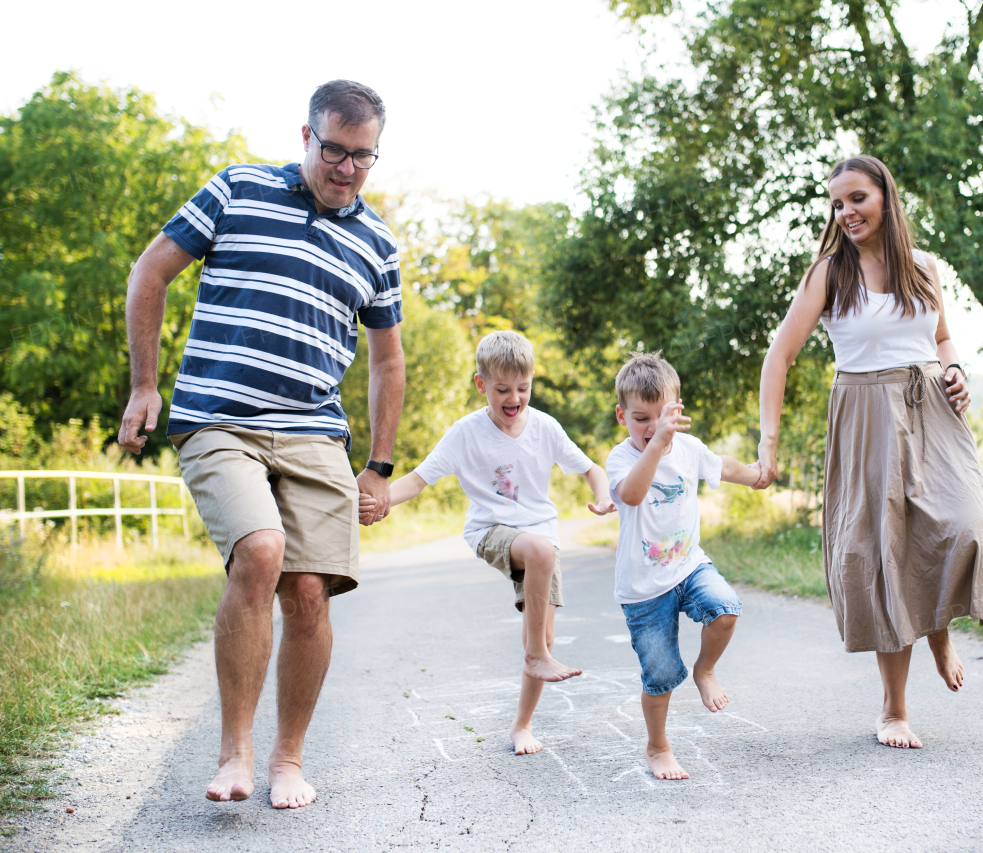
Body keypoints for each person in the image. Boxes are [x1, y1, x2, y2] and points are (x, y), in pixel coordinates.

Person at [117, 80, 405, 808]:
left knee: (310, 592)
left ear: (376, 155)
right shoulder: (236, 189)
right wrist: (144, 384)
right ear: (306, 137)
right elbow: (150, 270)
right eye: (334, 149)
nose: (346, 167)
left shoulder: (377, 243)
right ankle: (234, 751)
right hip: (220, 417)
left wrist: (378, 465)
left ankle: (288, 758)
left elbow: (387, 360)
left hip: (315, 433)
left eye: (362, 156)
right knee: (262, 550)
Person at [755, 155, 983, 750]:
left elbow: (941, 335)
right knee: (885, 553)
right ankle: (894, 710)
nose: (845, 213)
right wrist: (769, 442)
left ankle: (939, 627)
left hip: (933, 408)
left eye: (857, 199)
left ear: (886, 199)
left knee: (965, 521)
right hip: (866, 413)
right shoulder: (829, 274)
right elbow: (779, 356)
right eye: (836, 204)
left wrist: (956, 370)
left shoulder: (925, 267)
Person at [373, 330, 614, 756]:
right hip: (490, 530)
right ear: (481, 384)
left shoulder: (545, 428)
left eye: (523, 388)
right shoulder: (466, 433)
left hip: (540, 532)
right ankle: (536, 655)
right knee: (537, 554)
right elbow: (420, 478)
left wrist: (602, 493)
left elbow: (591, 468)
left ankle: (522, 724)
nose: (514, 398)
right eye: (502, 389)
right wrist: (381, 498)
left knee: (544, 632)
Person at [607, 352, 760, 780]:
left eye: (663, 417)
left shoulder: (689, 447)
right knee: (659, 676)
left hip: (689, 566)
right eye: (641, 419)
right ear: (622, 416)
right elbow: (633, 494)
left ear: (678, 410)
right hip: (643, 588)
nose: (653, 428)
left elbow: (720, 465)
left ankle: (705, 668)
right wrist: (654, 447)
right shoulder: (620, 460)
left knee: (725, 608)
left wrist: (755, 474)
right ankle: (657, 746)